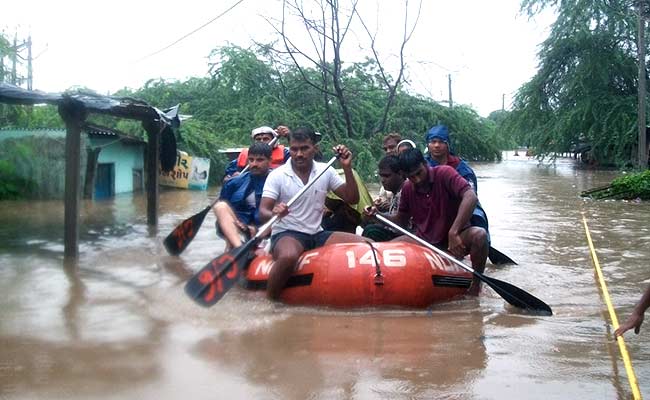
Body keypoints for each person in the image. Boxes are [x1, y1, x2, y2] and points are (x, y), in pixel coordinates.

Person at [259, 127, 369, 300]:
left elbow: (352, 198)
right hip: (288, 233)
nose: (299, 154)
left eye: (304, 148)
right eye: (294, 149)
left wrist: (347, 168)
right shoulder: (278, 175)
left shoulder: (326, 171)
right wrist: (275, 211)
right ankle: (270, 302)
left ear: (315, 148)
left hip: (317, 233)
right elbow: (263, 211)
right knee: (288, 257)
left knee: (367, 244)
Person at [364, 148, 488, 294]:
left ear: (425, 164)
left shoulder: (445, 173)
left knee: (480, 235)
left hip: (455, 236)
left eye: (419, 173)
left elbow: (470, 196)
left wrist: (454, 231)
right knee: (387, 249)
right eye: (411, 177)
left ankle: (476, 285)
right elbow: (400, 222)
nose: (417, 179)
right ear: (405, 175)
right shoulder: (408, 188)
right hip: (425, 240)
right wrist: (378, 215)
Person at [424, 124, 489, 235]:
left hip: (458, 206)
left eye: (441, 142)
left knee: (477, 216)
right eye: (433, 142)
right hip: (428, 205)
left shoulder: (462, 168)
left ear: (448, 144)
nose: (436, 145)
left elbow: (471, 195)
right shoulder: (422, 165)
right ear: (428, 145)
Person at [213, 142, 272, 251]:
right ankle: (239, 248)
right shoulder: (234, 182)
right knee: (220, 206)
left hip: (266, 228)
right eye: (251, 160)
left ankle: (239, 247)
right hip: (241, 225)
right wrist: (241, 225)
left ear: (269, 161)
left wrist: (258, 230)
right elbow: (223, 217)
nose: (254, 164)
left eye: (260, 160)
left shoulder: (279, 180)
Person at [223, 125, 290, 182]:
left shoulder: (285, 153)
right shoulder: (246, 155)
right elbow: (226, 178)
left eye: (265, 139)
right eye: (258, 139)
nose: (262, 141)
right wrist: (231, 178)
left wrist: (289, 136)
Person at [362, 155, 405, 241]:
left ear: (400, 174)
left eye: (386, 176)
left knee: (371, 231)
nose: (382, 180)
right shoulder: (395, 192)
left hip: (405, 235)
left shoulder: (405, 193)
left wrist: (377, 215)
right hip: (394, 231)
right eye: (381, 176)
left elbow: (401, 224)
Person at [374, 133, 402, 212]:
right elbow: (382, 195)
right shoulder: (386, 168)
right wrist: (379, 203)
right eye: (385, 149)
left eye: (392, 147)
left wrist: (393, 205)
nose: (388, 151)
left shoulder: (409, 170)